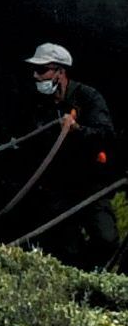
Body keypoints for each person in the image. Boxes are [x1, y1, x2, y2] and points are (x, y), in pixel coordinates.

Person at [20, 43, 120, 261]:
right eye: (35, 70)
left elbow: (106, 135)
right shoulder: (37, 105)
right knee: (65, 247)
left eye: (42, 70)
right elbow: (19, 141)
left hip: (90, 184)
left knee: (107, 239)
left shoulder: (88, 97)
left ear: (60, 72)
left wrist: (77, 130)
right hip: (57, 187)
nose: (36, 76)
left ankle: (95, 274)